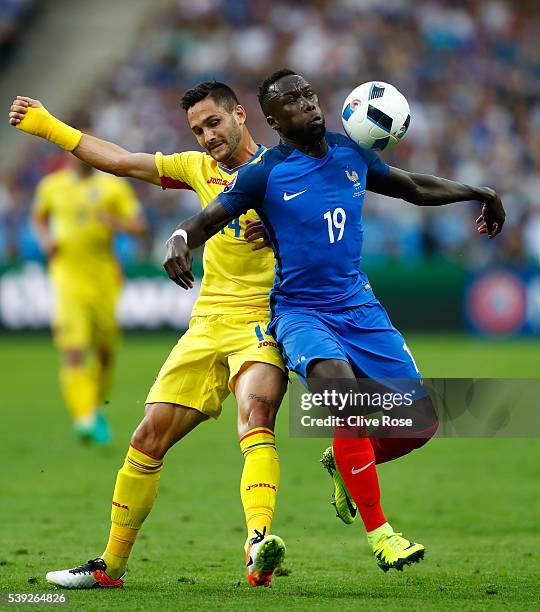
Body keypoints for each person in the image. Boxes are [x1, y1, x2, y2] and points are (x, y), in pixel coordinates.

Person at [162, 68, 506, 572]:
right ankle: (382, 535)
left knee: (420, 423)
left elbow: (412, 187)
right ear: (274, 120)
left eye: (308, 94)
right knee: (345, 399)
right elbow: (206, 220)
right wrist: (176, 240)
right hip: (300, 312)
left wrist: (480, 191)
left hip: (359, 308)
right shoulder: (265, 172)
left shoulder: (351, 153)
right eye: (292, 101)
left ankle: (345, 463)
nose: (308, 104)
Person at [9, 82, 287, 588]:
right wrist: (50, 127)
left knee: (256, 417)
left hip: (263, 320)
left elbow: (327, 224)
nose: (207, 136)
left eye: (214, 123)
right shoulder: (195, 168)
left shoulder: (284, 170)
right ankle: (110, 567)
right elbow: (119, 160)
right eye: (198, 130)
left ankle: (257, 544)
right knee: (146, 438)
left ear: (241, 115)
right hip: (206, 325)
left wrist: (281, 230)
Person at [31, 153, 146, 444]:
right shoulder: (52, 186)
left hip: (105, 278)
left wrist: (114, 221)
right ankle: (83, 417)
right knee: (73, 349)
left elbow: (139, 226)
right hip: (68, 277)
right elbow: (39, 216)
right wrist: (45, 239)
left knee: (105, 352)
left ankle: (94, 408)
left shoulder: (113, 188)